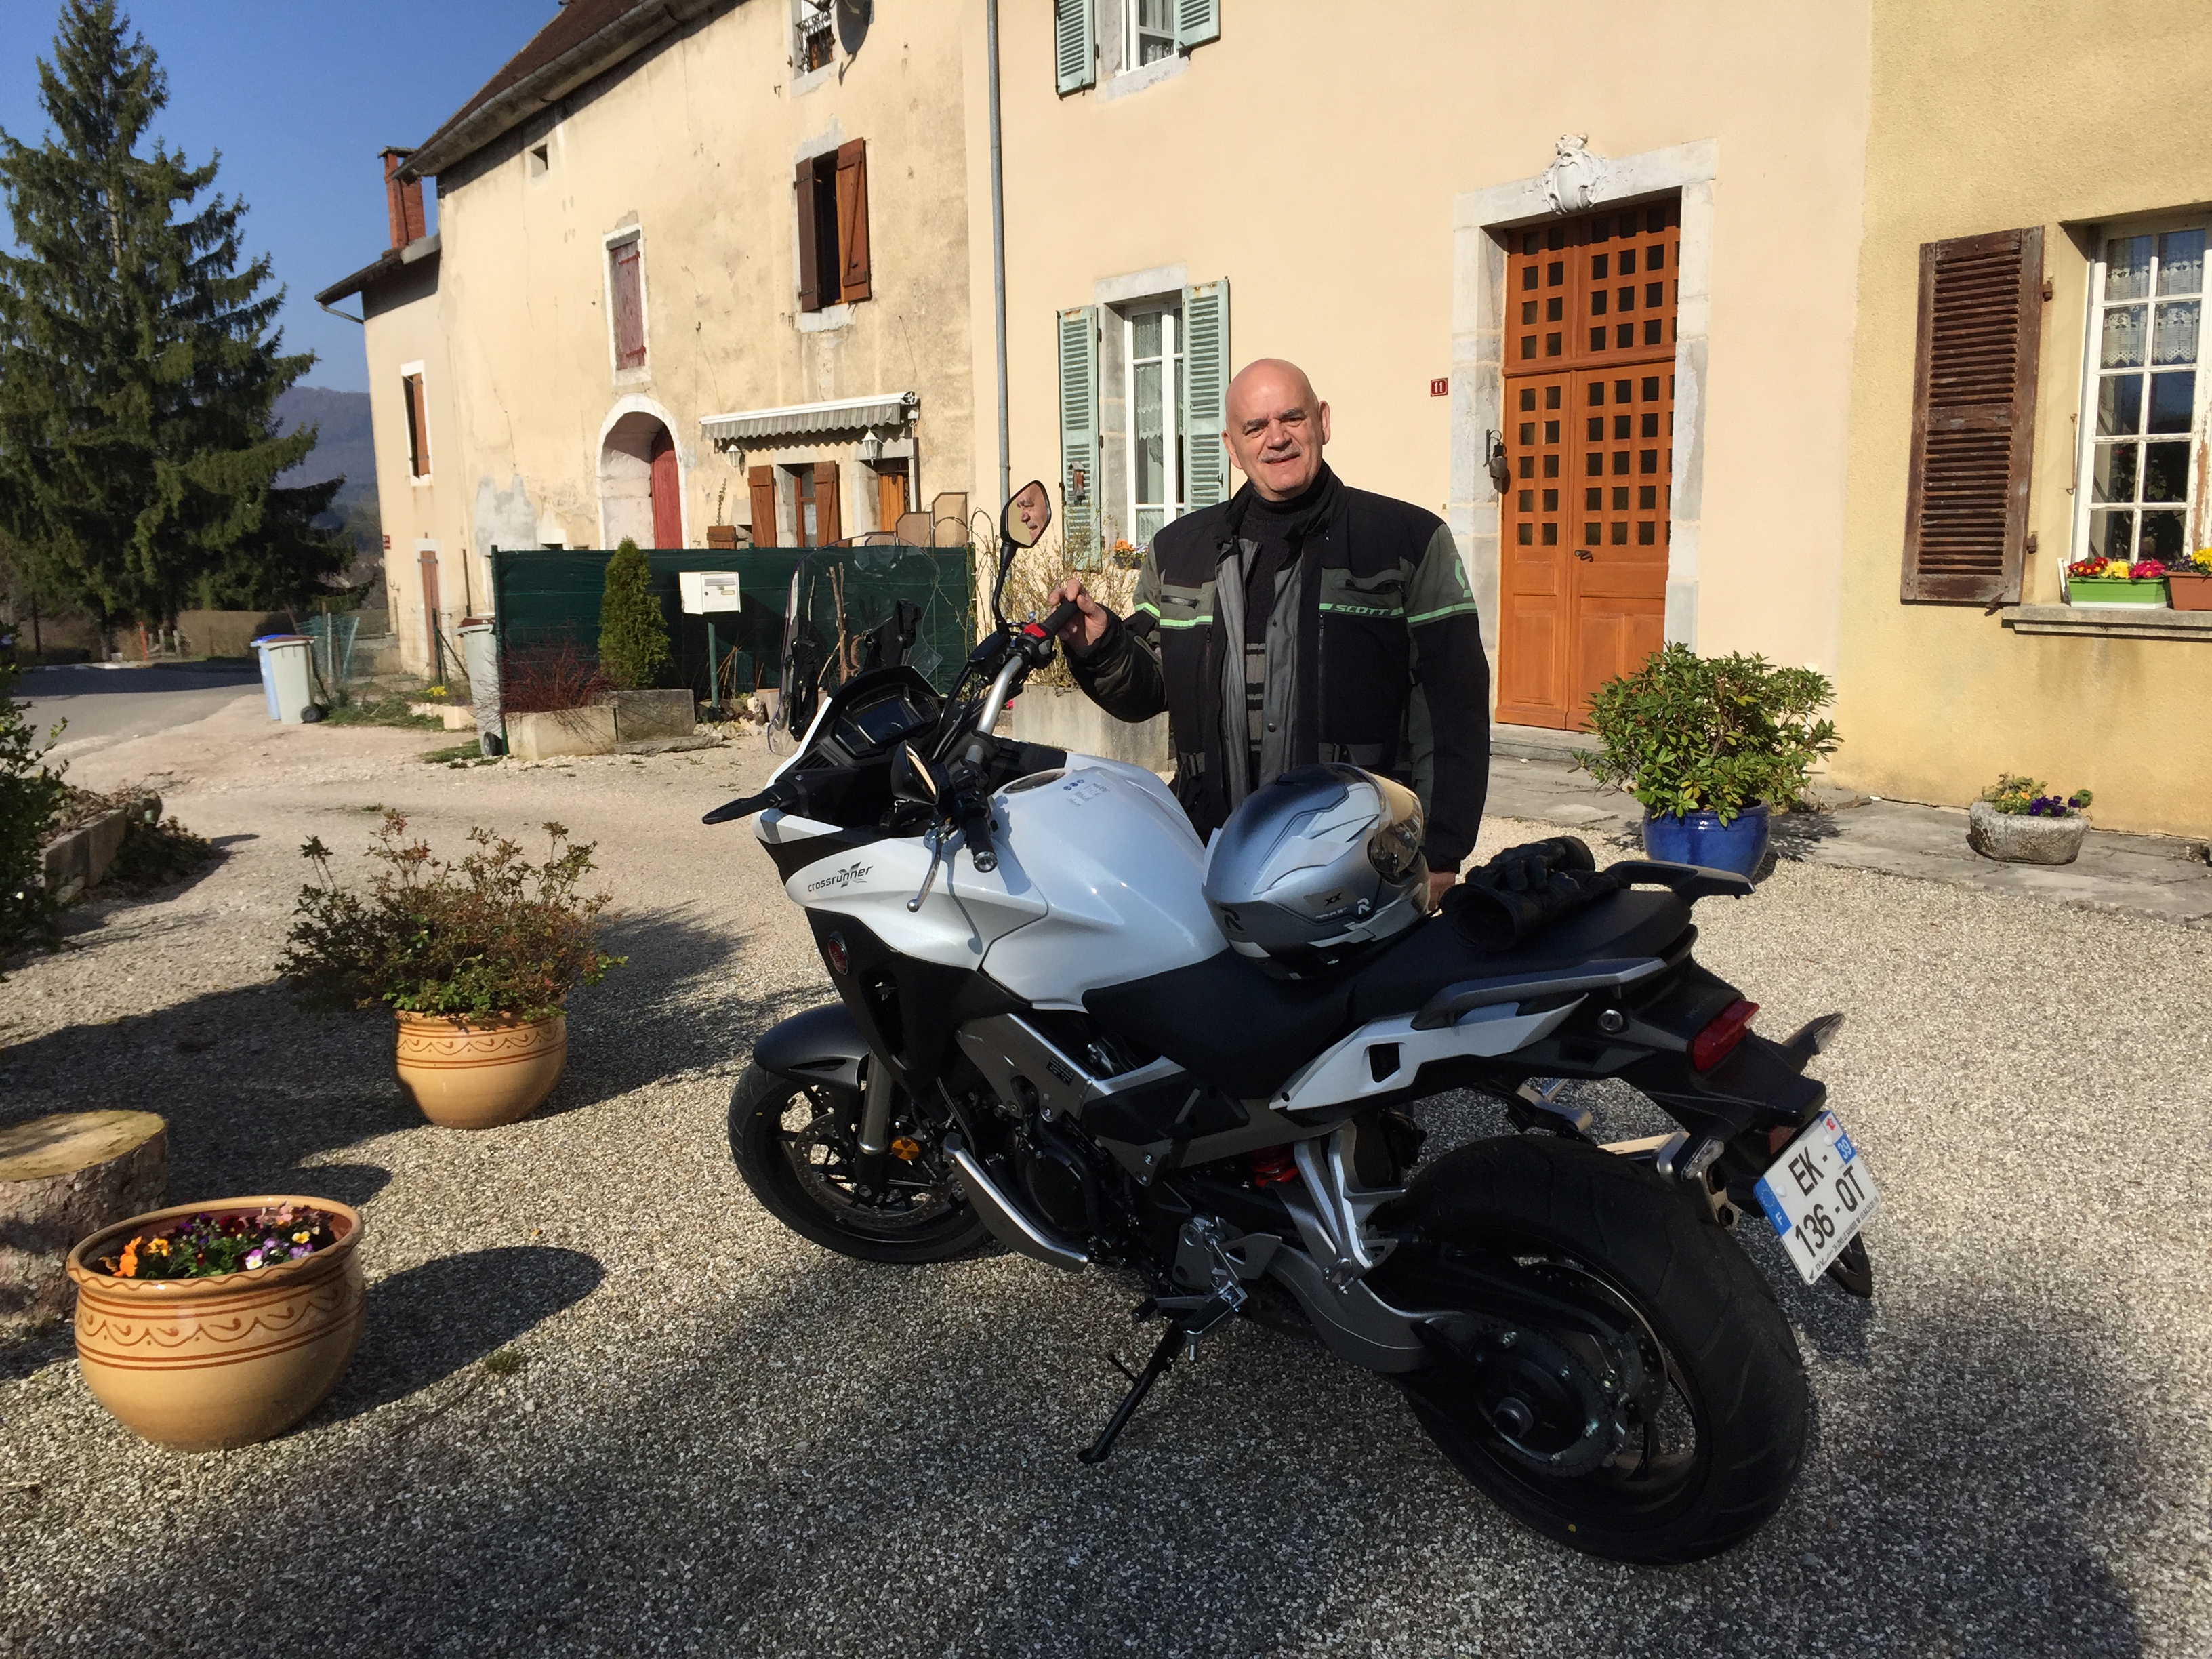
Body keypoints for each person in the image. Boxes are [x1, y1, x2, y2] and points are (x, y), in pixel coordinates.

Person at [1048, 357, 1490, 904]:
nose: (1276, 438)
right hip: (1208, 846)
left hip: (1354, 855)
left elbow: (1453, 706)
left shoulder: (1409, 540)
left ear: (1323, 421)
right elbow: (1149, 690)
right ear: (1232, 448)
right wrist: (1100, 647)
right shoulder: (1177, 551)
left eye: (1292, 418)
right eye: (1255, 427)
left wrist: (1440, 850)